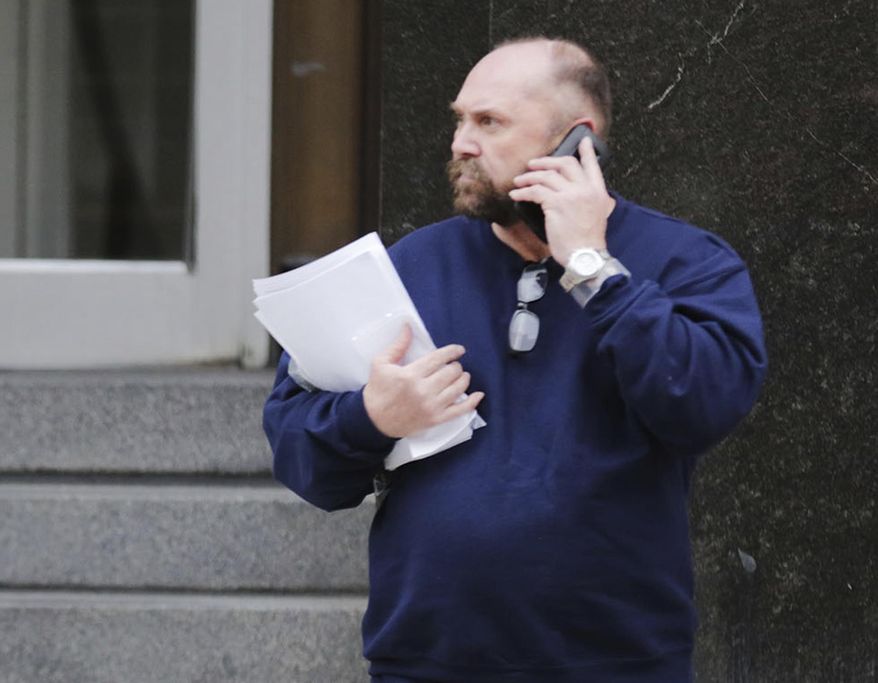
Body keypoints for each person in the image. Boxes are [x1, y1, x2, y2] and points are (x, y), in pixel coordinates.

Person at [264, 37, 767, 683]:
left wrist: (593, 269)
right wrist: (370, 417)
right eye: (459, 119)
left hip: (617, 660)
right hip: (428, 659)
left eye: (489, 122)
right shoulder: (404, 269)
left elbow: (705, 404)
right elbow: (303, 462)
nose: (460, 143)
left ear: (576, 139)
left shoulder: (684, 260)